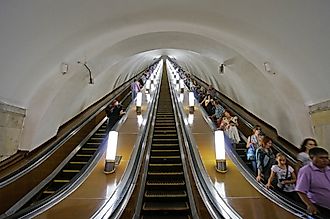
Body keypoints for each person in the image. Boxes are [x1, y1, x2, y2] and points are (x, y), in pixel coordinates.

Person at [295, 147, 330, 218]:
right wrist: (310, 205)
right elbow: (301, 191)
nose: (325, 160)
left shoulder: (328, 169)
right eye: (321, 158)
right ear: (312, 158)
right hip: (321, 207)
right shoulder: (306, 171)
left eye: (326, 158)